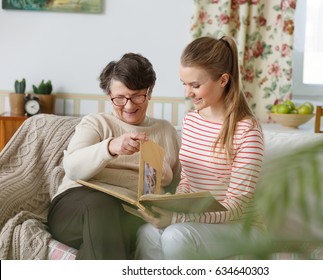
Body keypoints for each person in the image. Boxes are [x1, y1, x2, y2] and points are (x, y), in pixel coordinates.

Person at [136, 36, 265, 259]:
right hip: (199, 221)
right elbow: (188, 180)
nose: (188, 93)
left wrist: (176, 220)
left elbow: (234, 208)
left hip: (242, 227)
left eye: (195, 85)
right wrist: (170, 207)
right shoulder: (191, 120)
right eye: (184, 84)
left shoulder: (247, 131)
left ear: (223, 80)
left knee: (175, 235)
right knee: (147, 233)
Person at [47, 52, 181, 260]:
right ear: (109, 94)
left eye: (137, 96)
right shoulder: (96, 123)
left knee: (115, 228)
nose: (129, 105)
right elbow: (72, 168)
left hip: (130, 215)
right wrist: (110, 147)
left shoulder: (166, 132)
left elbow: (180, 187)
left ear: (149, 91)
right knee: (103, 206)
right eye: (119, 98)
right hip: (75, 209)